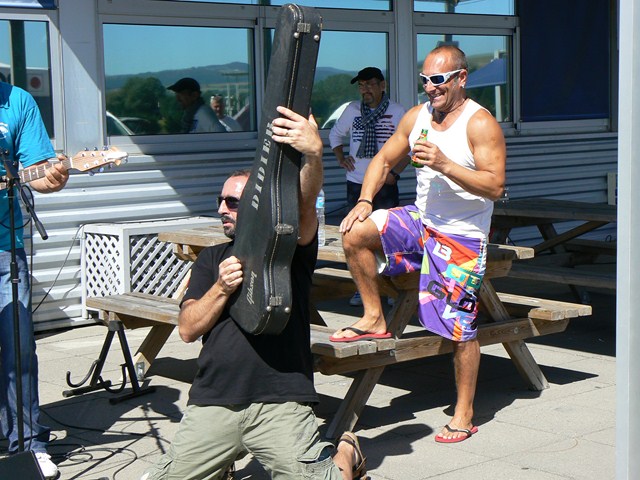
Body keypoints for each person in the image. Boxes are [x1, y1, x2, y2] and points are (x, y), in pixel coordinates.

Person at [141, 106, 368, 480]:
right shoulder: (212, 259)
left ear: (255, 206)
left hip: (280, 400)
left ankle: (345, 452)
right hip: (216, 400)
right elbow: (187, 329)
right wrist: (220, 287)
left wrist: (313, 153)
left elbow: (306, 204)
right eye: (220, 200)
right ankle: (221, 460)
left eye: (232, 202)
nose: (221, 209)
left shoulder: (289, 252)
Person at [329, 45, 506, 444]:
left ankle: (464, 412)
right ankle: (374, 318)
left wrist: (444, 163)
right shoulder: (417, 116)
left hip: (462, 234)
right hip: (421, 222)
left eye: (438, 80)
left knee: (460, 328)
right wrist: (364, 201)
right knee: (354, 232)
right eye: (425, 79)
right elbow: (382, 161)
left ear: (461, 78)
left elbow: (495, 186)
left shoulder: (480, 123)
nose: (430, 88)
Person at [0, 81, 69, 478]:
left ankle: (28, 444)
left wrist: (54, 176)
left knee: (19, 348)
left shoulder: (16, 101)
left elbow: (38, 172)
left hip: (5, 248)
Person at [329, 67, 408, 306]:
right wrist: (341, 158)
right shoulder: (352, 110)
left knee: (388, 236)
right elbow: (335, 135)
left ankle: (393, 287)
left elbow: (410, 146)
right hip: (356, 182)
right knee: (355, 235)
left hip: (384, 183)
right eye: (361, 86)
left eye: (370, 84)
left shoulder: (397, 112)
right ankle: (362, 287)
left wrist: (395, 172)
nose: (365, 90)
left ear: (382, 86)